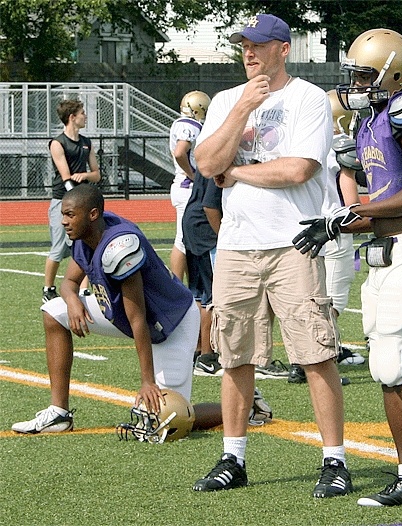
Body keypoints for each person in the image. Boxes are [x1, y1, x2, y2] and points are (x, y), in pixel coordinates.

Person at [294, 28, 402, 512]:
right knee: (384, 369)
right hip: (385, 250)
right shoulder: (369, 120)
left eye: (365, 74)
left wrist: (344, 218)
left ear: (393, 72)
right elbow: (382, 204)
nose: (356, 83)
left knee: (395, 364)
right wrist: (337, 226)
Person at [192, 14, 352, 497]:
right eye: (244, 45)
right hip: (238, 245)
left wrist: (237, 173)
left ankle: (335, 461)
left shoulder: (306, 98)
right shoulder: (225, 100)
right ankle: (232, 458)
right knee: (234, 355)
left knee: (314, 353)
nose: (249, 52)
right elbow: (205, 162)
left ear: (284, 49)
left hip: (292, 241)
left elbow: (299, 168)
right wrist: (242, 108)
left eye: (259, 45)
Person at [13, 185, 271, 434]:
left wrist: (147, 381)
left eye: (70, 215)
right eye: (63, 215)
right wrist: (72, 301)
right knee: (53, 311)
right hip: (120, 313)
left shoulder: (120, 246)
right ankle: (59, 413)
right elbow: (68, 283)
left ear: (92, 214)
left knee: (169, 418)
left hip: (170, 323)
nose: (64, 222)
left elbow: (139, 319)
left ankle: (246, 407)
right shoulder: (86, 234)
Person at [288, 90, 364, 385]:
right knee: (332, 300)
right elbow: (350, 199)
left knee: (304, 298)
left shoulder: (298, 141)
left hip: (300, 225)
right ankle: (319, 360)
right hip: (331, 229)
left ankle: (299, 360)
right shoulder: (339, 144)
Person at [43, 99, 101, 303]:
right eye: (82, 113)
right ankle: (48, 289)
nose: (85, 116)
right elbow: (66, 177)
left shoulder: (87, 142)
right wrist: (75, 197)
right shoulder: (57, 143)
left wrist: (84, 176)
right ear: (72, 117)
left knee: (84, 244)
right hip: (62, 202)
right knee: (58, 248)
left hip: (82, 202)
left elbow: (96, 175)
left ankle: (84, 289)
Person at [182, 168, 224, 376]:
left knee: (198, 294)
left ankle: (197, 350)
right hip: (206, 229)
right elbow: (210, 205)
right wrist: (223, 236)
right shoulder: (220, 161)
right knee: (211, 296)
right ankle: (207, 355)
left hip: (193, 223)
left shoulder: (208, 155)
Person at [169, 91, 211, 281]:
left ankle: (186, 284)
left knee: (186, 239)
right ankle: (176, 284)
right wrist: (193, 174)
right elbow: (180, 153)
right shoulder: (190, 125)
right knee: (182, 239)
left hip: (181, 186)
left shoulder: (180, 123)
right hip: (186, 187)